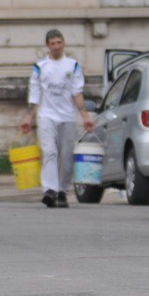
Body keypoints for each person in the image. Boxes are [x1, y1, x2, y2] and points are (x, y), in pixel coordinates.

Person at [19, 29, 94, 208]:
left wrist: (85, 116)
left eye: (59, 42)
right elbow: (35, 94)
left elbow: (77, 92)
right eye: (53, 43)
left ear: (64, 43)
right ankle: (50, 190)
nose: (56, 47)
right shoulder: (40, 67)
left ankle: (62, 191)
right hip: (47, 116)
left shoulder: (73, 65)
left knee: (67, 155)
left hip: (67, 117)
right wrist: (28, 117)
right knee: (50, 152)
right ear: (48, 45)